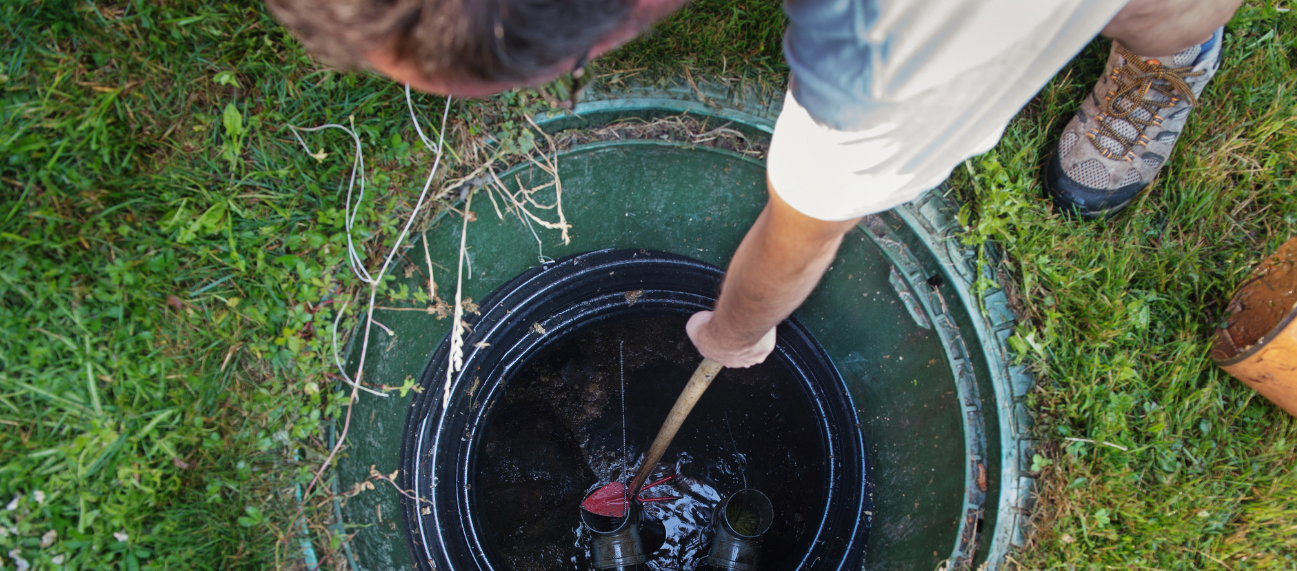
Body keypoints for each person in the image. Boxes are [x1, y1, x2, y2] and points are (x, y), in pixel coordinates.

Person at [267, 0, 1241, 368]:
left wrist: (732, 332)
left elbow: (806, 230)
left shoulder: (883, 48)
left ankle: (1171, 46)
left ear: (608, 34)